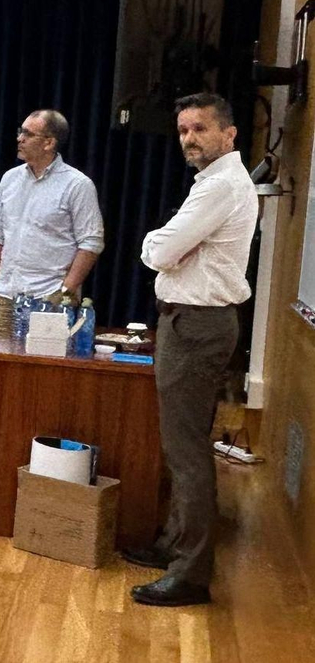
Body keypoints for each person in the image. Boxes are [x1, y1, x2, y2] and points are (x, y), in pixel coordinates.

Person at [124, 93, 256, 607]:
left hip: (197, 327)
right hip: (195, 324)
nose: (189, 138)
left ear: (229, 135)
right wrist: (172, 246)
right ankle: (175, 546)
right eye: (182, 130)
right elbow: (171, 249)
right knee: (185, 447)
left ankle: (190, 573)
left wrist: (164, 245)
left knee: (188, 454)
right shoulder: (215, 184)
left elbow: (158, 251)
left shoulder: (220, 186)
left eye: (200, 128)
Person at [0, 110, 103, 457]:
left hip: (50, 295)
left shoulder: (77, 185)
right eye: (20, 131)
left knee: (44, 370)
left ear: (49, 142)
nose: (19, 138)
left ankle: (37, 439)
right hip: (4, 289)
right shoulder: (10, 179)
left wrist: (67, 290)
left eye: (27, 133)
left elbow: (91, 242)